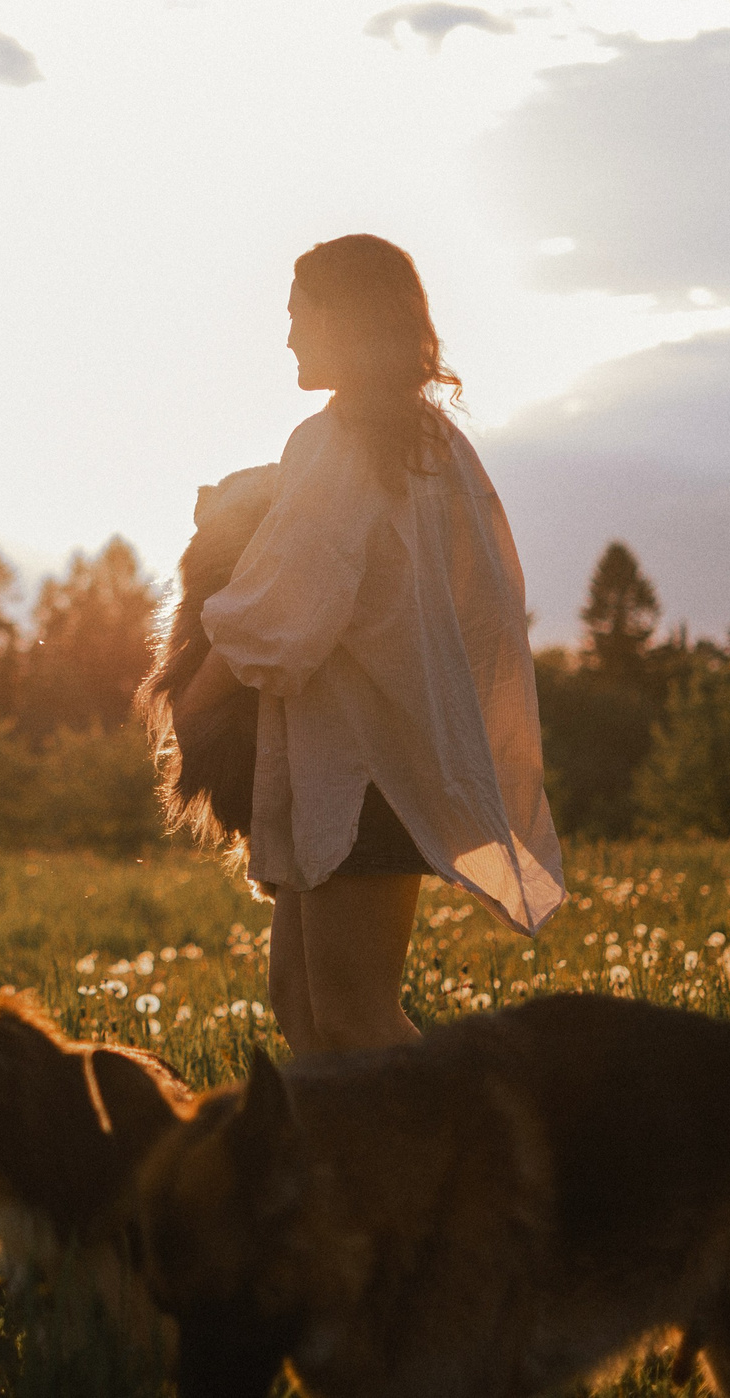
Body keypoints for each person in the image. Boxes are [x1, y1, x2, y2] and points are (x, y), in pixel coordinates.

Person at [173, 234, 564, 1056]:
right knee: (304, 1004)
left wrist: (192, 699)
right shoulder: (428, 444)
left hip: (359, 768)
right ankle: (355, 1179)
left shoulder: (344, 440)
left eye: (296, 315)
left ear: (339, 317)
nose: (286, 337)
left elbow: (282, 612)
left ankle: (461, 1166)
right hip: (356, 756)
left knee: (350, 1013)